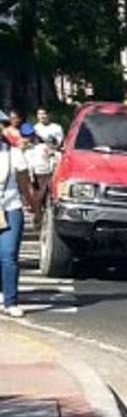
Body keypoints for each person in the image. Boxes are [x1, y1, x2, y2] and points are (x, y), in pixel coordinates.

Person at [0, 130, 35, 317]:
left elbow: (24, 185)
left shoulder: (14, 154)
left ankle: (10, 301)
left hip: (10, 208)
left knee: (8, 254)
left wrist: (34, 206)